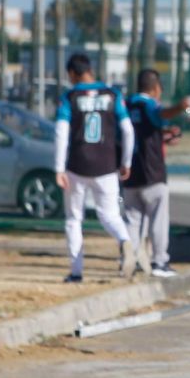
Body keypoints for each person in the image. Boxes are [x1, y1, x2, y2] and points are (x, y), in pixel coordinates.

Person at [54, 53, 135, 282]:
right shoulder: (112, 95)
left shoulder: (70, 97)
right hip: (107, 165)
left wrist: (59, 167)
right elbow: (128, 130)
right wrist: (126, 162)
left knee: (73, 218)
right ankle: (125, 241)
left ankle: (76, 271)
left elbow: (61, 132)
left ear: (72, 73)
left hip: (77, 165)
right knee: (109, 214)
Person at [123, 69, 190, 278]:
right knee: (158, 220)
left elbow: (139, 130)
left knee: (132, 220)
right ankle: (159, 262)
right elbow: (160, 114)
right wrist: (180, 108)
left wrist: (163, 135)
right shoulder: (149, 104)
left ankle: (132, 260)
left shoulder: (127, 104)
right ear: (155, 88)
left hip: (130, 173)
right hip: (152, 173)